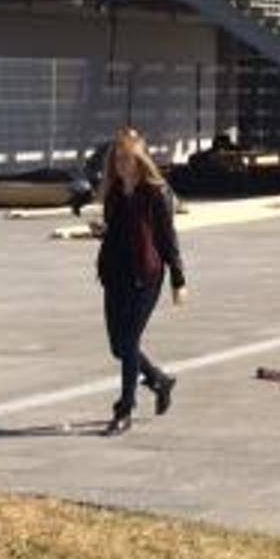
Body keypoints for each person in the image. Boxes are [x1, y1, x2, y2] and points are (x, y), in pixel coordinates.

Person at [94, 127, 184, 433]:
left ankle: (125, 408)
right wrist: (104, 233)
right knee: (119, 348)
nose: (122, 165)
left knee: (130, 341)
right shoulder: (114, 192)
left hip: (145, 276)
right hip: (115, 276)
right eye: (118, 159)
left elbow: (167, 237)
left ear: (140, 160)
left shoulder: (155, 192)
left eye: (128, 159)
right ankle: (159, 380)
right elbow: (117, 229)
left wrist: (178, 279)